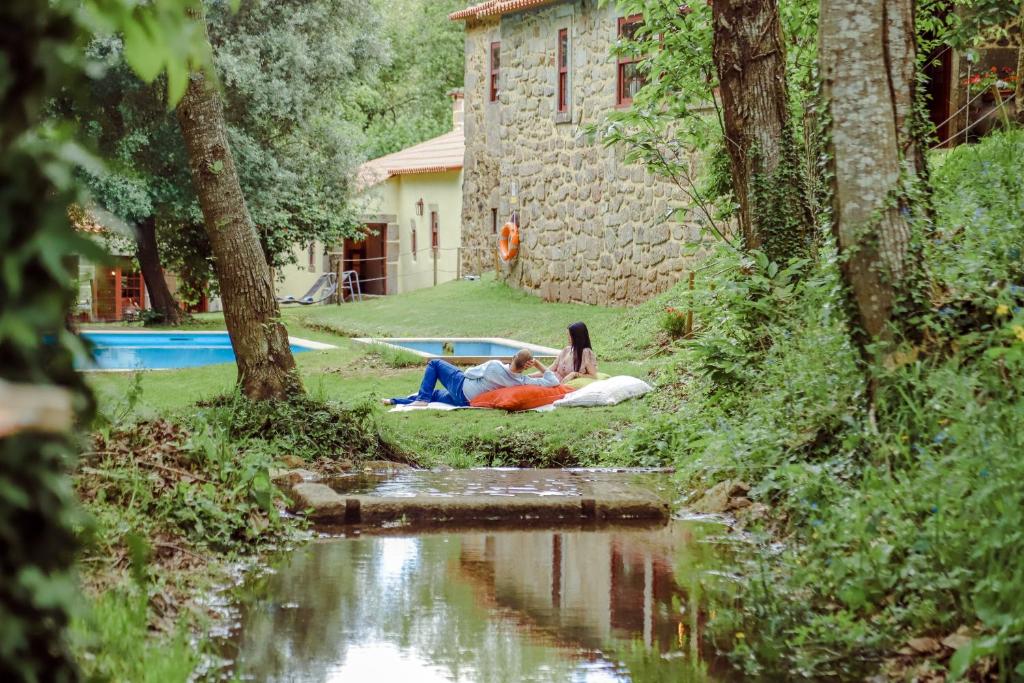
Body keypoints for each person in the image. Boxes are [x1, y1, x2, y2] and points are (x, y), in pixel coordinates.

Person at [383, 349, 559, 407]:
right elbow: (553, 382)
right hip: (466, 401)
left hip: (461, 387)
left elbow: (468, 374)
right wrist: (538, 365)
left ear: (513, 357)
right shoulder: (522, 381)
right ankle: (394, 401)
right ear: (526, 366)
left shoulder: (494, 365)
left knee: (435, 363)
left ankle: (421, 399)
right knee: (435, 395)